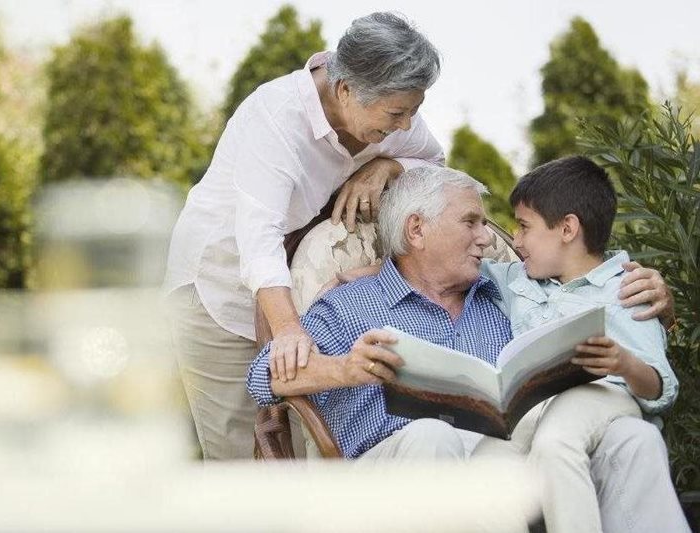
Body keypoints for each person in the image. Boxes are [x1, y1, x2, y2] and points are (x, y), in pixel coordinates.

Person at [165, 12, 446, 459]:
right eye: (398, 113)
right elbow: (259, 238)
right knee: (243, 457)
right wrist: (289, 332)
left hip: (294, 286)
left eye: (414, 111)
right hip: (219, 292)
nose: (407, 125)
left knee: (301, 452)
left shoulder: (389, 113)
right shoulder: (276, 117)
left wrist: (386, 166)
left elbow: (435, 164)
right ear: (345, 89)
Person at [475, 155, 688, 533]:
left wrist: (622, 362)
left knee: (556, 445)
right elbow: (449, 264)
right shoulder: (518, 281)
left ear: (568, 228)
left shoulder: (625, 289)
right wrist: (379, 271)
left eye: (524, 227)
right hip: (534, 400)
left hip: (601, 393)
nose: (514, 241)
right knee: (485, 462)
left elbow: (660, 389)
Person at [248, 167, 517, 460]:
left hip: (497, 460)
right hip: (396, 466)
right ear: (416, 229)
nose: (487, 238)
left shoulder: (500, 299)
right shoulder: (350, 305)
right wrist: (344, 369)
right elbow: (262, 377)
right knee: (433, 434)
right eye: (471, 222)